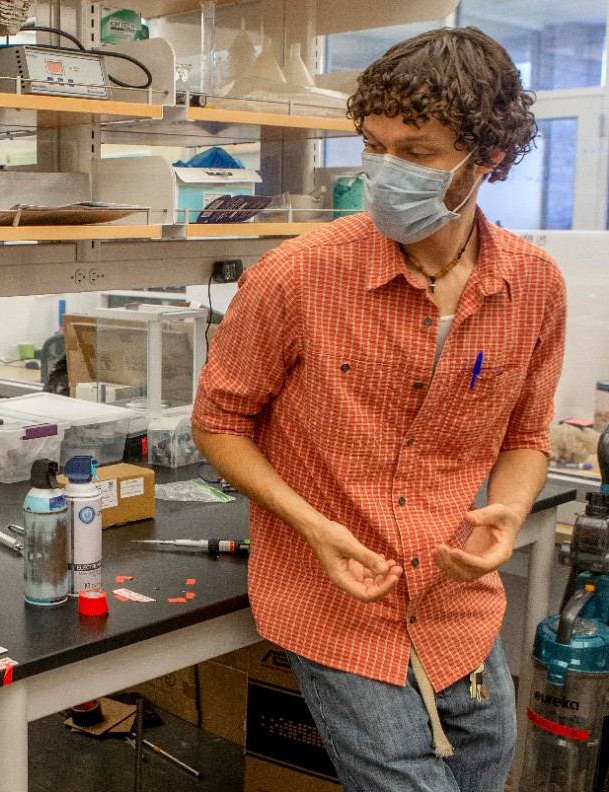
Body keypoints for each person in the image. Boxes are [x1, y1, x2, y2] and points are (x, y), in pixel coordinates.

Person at [191, 27, 565, 792]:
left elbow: (527, 434)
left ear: (486, 159)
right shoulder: (295, 277)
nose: (386, 171)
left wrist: (510, 507)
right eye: (374, 146)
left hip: (458, 599)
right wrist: (311, 525)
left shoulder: (535, 286)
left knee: (488, 774)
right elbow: (219, 423)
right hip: (333, 598)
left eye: (417, 153)